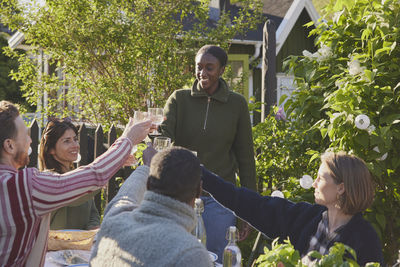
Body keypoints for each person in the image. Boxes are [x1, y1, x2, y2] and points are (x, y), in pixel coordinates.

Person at [0, 100, 154, 267]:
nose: (30, 140)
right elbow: (94, 175)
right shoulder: (23, 187)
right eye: (25, 135)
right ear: (9, 145)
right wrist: (129, 139)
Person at [160, 44, 256, 262]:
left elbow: (246, 158)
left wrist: (250, 207)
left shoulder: (237, 104)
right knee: (175, 258)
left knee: (214, 260)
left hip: (220, 200)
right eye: (199, 67)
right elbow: (162, 137)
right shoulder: (179, 99)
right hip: (180, 196)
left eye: (209, 68)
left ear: (222, 70)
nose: (202, 73)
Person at [201, 152, 384, 266]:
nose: (314, 183)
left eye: (320, 178)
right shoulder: (308, 217)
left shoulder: (365, 239)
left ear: (341, 188)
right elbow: (251, 204)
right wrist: (203, 176)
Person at [90, 146, 213, 267]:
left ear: (148, 184)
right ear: (199, 192)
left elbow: (124, 198)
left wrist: (147, 167)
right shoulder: (191, 254)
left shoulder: (112, 225)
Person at [38, 118, 100, 230]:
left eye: (75, 139)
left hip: (81, 246)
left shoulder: (77, 177)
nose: (75, 145)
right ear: (51, 149)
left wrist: (92, 230)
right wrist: (103, 174)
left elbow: (93, 214)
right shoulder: (49, 178)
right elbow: (74, 197)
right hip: (54, 246)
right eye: (67, 141)